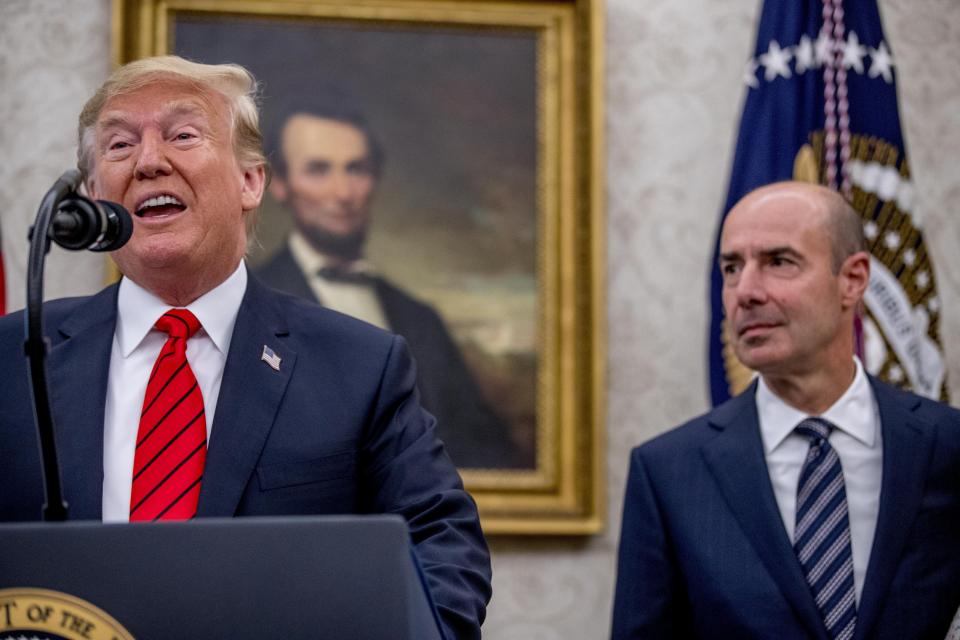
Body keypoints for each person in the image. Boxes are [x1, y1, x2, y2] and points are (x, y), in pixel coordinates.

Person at [0, 56, 490, 640]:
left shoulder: (360, 366)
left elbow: (443, 548)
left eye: (183, 135)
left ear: (250, 181)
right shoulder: (15, 355)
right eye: (119, 145)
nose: (149, 161)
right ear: (91, 197)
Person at [611, 181, 960, 639]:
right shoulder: (668, 473)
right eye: (731, 268)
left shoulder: (947, 446)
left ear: (852, 279)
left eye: (779, 262)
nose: (746, 291)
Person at [256, 98, 527, 469]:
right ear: (281, 185)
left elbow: (484, 450)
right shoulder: (251, 302)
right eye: (319, 170)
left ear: (376, 179)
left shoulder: (421, 321)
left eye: (356, 169)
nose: (343, 192)